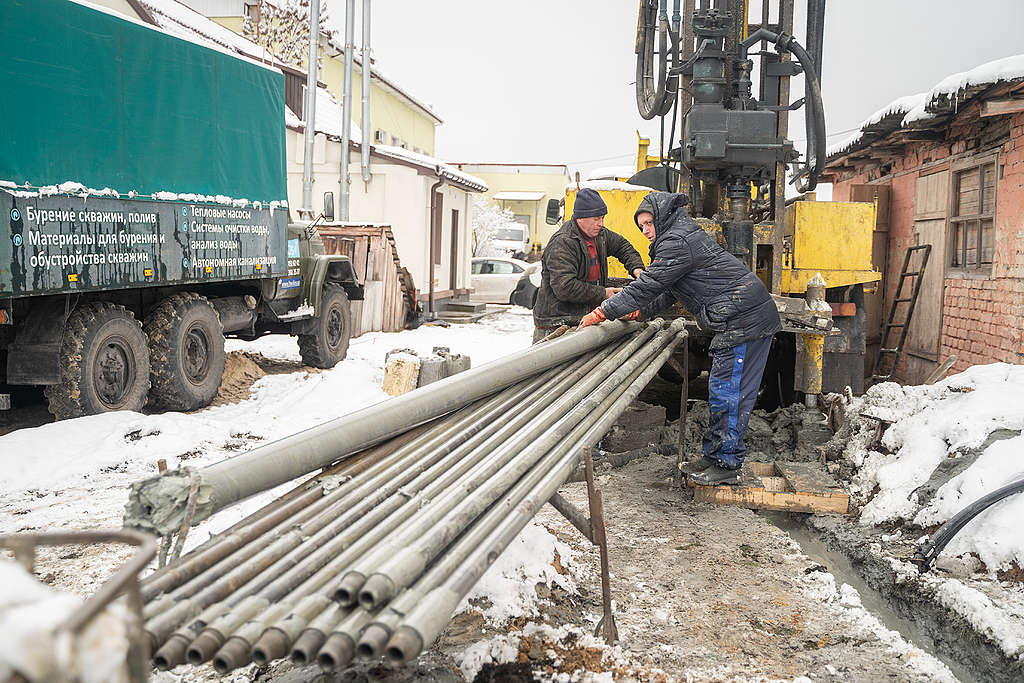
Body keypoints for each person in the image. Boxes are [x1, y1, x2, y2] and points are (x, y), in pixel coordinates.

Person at [579, 191, 781, 485]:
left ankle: (726, 464)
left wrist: (603, 311)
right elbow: (669, 291)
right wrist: (640, 313)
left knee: (730, 394)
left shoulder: (677, 241)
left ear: (662, 218)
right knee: (723, 391)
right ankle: (715, 457)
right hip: (740, 319)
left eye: (648, 223)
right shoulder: (677, 239)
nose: (646, 230)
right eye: (641, 226)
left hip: (744, 322)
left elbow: (647, 285)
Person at [532, 188, 645, 342]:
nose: (601, 224)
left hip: (582, 318)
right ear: (580, 218)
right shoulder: (563, 242)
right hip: (556, 323)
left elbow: (622, 246)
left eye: (603, 218)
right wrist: (604, 293)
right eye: (596, 219)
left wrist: (637, 269)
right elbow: (564, 287)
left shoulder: (600, 235)